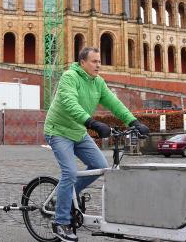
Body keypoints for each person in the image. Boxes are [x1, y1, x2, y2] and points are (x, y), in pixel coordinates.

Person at [43, 47, 149, 242]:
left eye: (99, 61)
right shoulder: (69, 77)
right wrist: (92, 123)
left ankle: (66, 196)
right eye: (94, 61)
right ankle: (60, 222)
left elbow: (115, 104)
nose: (98, 65)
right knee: (70, 172)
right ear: (82, 63)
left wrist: (133, 122)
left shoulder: (98, 82)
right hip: (58, 131)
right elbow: (69, 103)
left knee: (100, 166)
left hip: (78, 132)